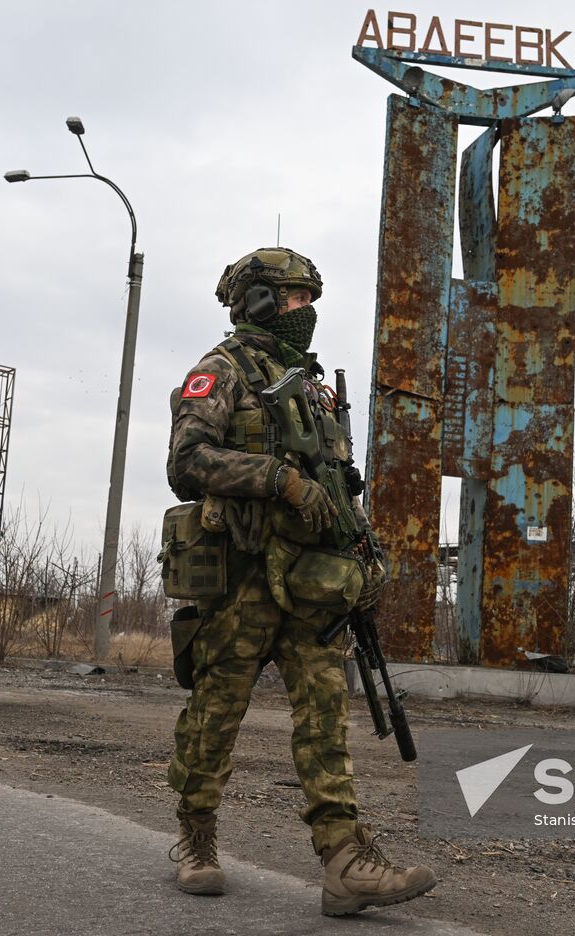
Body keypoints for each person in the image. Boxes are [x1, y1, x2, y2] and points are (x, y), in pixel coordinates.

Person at [163, 247, 437, 915]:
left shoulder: (312, 387)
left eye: (310, 299)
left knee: (324, 717)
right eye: (293, 298)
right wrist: (278, 480)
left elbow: (339, 484)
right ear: (256, 301)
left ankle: (345, 863)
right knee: (215, 716)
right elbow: (187, 461)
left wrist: (364, 550)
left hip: (311, 582)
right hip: (242, 579)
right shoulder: (219, 371)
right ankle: (197, 837)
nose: (305, 311)